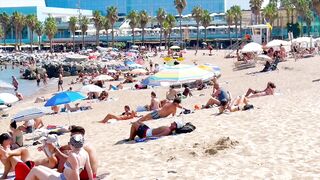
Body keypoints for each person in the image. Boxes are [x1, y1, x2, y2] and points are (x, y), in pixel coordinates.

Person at [25, 134, 94, 180]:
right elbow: (89, 169)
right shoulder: (85, 153)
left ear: (71, 145)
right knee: (39, 167)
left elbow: (75, 172)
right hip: (62, 176)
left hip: (62, 179)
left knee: (35, 170)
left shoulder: (73, 155)